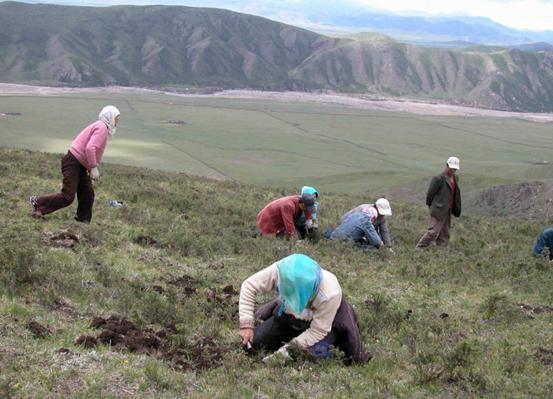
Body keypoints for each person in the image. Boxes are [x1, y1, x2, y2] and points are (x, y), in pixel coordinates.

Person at [239, 253, 370, 364]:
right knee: (256, 342)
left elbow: (318, 330)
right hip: (289, 318)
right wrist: (246, 325)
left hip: (323, 326)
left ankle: (331, 345)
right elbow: (249, 286)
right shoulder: (283, 269)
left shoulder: (330, 293)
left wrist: (284, 352)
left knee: (317, 353)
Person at [30, 106, 121, 223]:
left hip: (80, 165)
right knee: (67, 197)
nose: (117, 122)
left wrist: (89, 167)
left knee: (88, 194)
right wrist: (93, 167)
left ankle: (83, 221)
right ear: (109, 117)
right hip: (73, 162)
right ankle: (38, 202)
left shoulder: (101, 126)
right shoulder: (102, 127)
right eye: (116, 119)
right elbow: (90, 148)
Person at [416, 157, 461, 248]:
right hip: (438, 209)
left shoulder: (455, 177)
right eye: (452, 168)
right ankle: (418, 249)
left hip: (447, 209)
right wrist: (432, 207)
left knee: (445, 234)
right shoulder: (438, 178)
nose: (453, 170)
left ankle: (440, 253)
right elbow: (430, 194)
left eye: (455, 169)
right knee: (433, 232)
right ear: (447, 165)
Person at [326, 199, 393, 251]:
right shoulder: (362, 209)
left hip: (341, 235)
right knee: (370, 247)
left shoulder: (381, 218)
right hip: (349, 235)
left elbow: (384, 231)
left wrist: (388, 246)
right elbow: (345, 218)